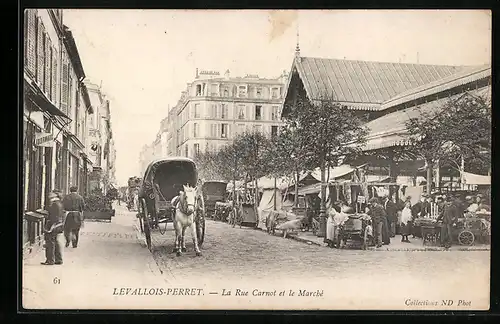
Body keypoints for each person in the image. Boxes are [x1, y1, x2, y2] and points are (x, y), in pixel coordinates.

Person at [41, 191, 64, 265]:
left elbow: (54, 216)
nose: (49, 194)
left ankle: (50, 260)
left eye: (51, 193)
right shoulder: (58, 203)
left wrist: (50, 228)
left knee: (50, 242)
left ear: (55, 195)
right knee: (55, 242)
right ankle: (58, 259)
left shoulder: (54, 204)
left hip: (52, 225)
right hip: (57, 225)